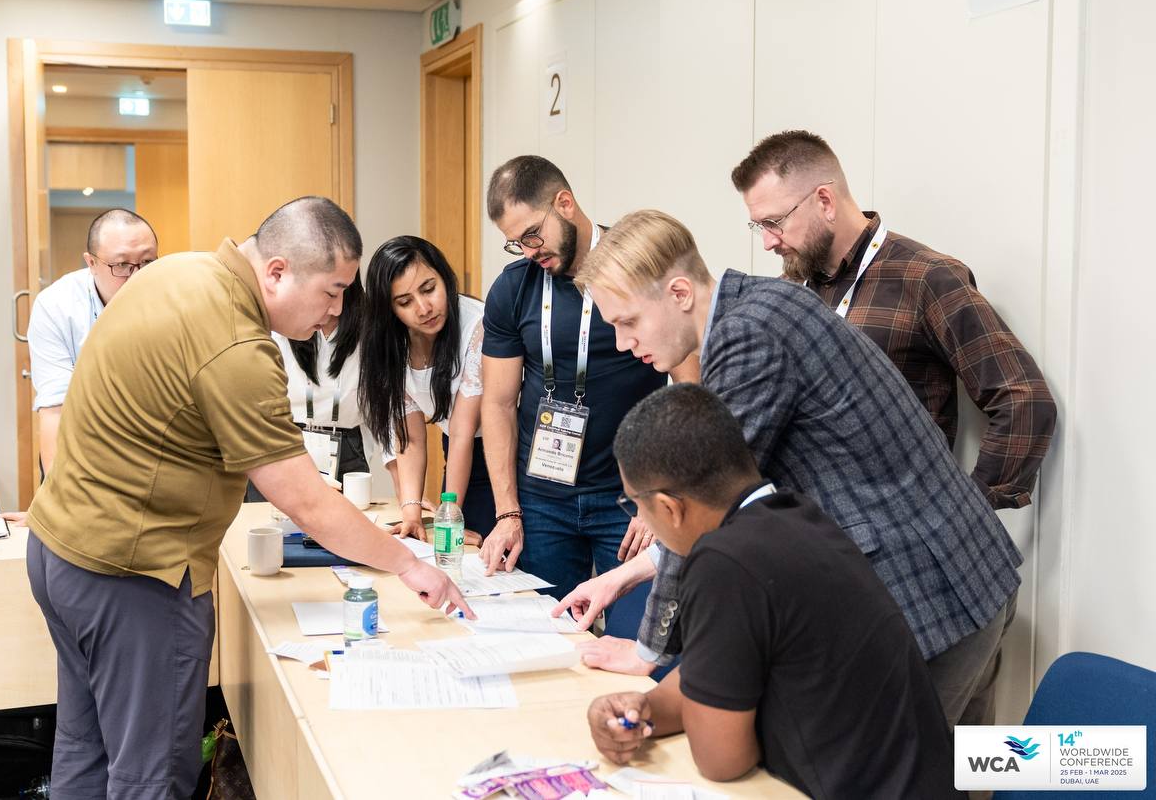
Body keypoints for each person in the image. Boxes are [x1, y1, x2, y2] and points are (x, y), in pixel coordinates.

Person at [24, 197, 472, 797]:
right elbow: (304, 501)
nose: (338, 310)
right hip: (134, 573)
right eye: (333, 291)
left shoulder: (180, 272)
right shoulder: (236, 341)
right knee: (149, 772)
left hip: (61, 551)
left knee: (88, 746)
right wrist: (409, 565)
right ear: (278, 271)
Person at [562, 209, 1023, 730]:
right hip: (970, 574)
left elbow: (702, 506)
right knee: (963, 768)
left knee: (900, 769)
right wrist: (623, 576)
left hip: (928, 600)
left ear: (679, 293)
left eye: (628, 322)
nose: (623, 343)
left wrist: (647, 650)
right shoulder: (765, 303)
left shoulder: (747, 338)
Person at [586, 383, 958, 799]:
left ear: (670, 507)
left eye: (636, 505)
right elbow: (712, 676)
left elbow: (722, 760)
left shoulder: (724, 561)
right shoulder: (795, 516)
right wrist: (645, 709)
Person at [732, 130, 1056, 513]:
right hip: (806, 531)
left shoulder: (926, 279)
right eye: (760, 226)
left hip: (896, 536)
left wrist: (968, 516)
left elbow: (1024, 400)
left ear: (825, 201)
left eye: (775, 222)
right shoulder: (788, 291)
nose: (768, 242)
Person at [479, 156, 670, 595]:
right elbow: (499, 403)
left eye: (533, 234)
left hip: (631, 499)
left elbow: (691, 384)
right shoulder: (513, 288)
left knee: (634, 631)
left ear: (564, 203)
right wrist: (507, 512)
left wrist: (664, 491)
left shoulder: (639, 267)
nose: (529, 251)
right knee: (545, 625)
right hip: (541, 502)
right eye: (516, 243)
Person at [358, 236, 493, 540]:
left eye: (429, 289)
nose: (423, 308)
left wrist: (451, 517)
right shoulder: (392, 344)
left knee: (473, 544)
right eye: (405, 302)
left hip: (503, 451)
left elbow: (462, 431)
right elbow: (411, 440)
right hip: (458, 451)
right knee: (446, 545)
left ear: (444, 278)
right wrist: (411, 513)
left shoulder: (477, 325)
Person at [26, 208, 158, 473]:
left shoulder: (174, 296)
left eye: (147, 262)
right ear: (91, 263)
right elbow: (55, 408)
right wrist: (57, 492)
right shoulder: (57, 306)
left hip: (155, 441)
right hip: (84, 443)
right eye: (121, 265)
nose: (137, 276)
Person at [245, 275, 367, 502]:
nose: (335, 306)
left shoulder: (369, 330)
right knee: (273, 520)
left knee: (342, 521)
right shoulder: (277, 326)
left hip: (345, 447)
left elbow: (389, 413)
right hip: (282, 441)